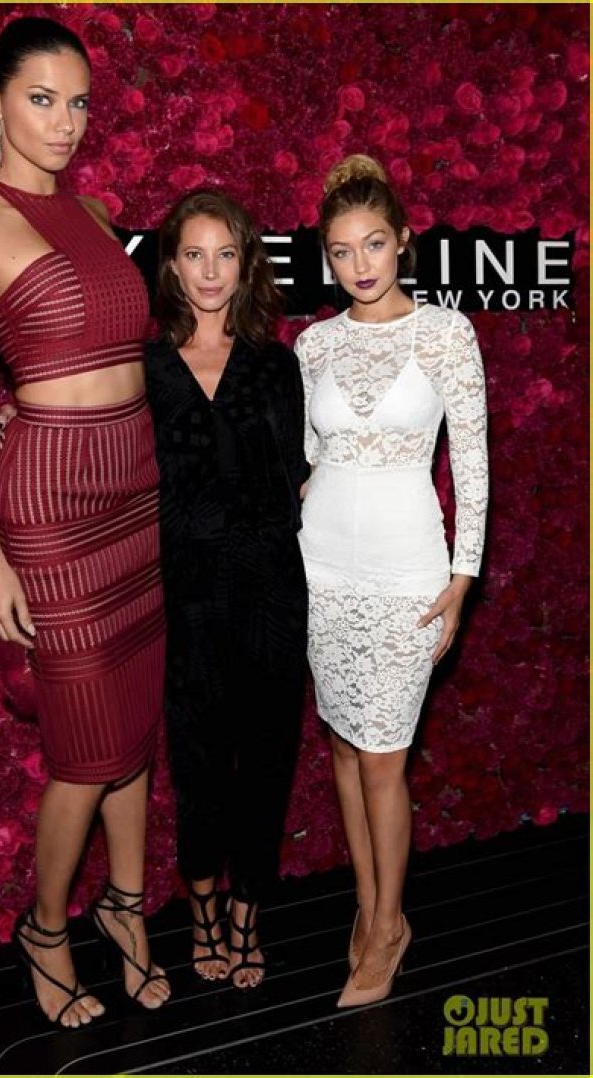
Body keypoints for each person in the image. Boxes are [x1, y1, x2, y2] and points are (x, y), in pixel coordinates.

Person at [0, 16, 171, 1029]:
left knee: (134, 728)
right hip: (52, 512)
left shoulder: (97, 211)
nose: (64, 123)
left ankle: (124, 908)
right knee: (85, 749)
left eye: (77, 103)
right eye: (41, 99)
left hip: (135, 493)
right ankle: (44, 927)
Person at [294, 155, 488, 1007]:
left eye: (373, 244)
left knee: (382, 756)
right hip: (321, 567)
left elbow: (472, 464)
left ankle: (388, 928)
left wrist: (463, 577)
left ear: (403, 241)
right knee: (343, 745)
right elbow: (309, 462)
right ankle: (369, 907)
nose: (359, 264)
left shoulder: (446, 333)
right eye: (342, 251)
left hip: (408, 572)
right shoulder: (313, 344)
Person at [145, 190, 309, 988]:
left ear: (246, 266)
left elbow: (301, 475)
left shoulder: (276, 364)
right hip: (187, 596)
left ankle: (247, 908)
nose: (210, 272)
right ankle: (203, 905)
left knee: (268, 758)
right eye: (194, 254)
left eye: (225, 254)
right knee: (199, 761)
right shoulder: (146, 369)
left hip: (271, 588)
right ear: (173, 267)